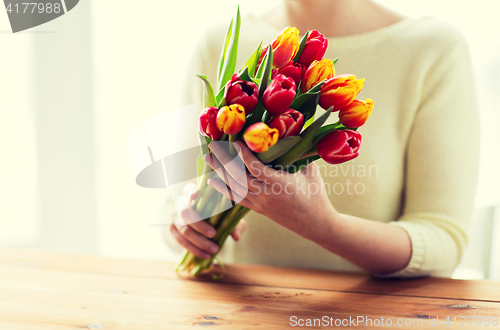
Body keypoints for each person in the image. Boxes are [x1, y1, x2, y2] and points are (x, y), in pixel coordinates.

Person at [167, 0, 479, 277]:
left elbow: (443, 240)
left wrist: (324, 227)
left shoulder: (433, 51)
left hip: (364, 318)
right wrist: (186, 222)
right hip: (225, 313)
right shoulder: (217, 42)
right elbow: (173, 201)